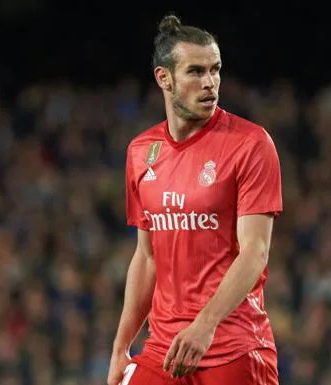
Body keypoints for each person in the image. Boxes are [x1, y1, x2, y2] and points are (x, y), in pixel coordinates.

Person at [107, 14, 283, 385]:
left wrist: (205, 325)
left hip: (234, 347)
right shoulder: (142, 152)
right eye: (196, 72)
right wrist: (121, 347)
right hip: (163, 349)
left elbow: (256, 252)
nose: (210, 83)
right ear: (164, 78)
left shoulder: (250, 144)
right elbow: (147, 257)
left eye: (215, 70)